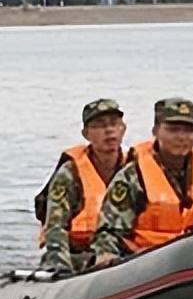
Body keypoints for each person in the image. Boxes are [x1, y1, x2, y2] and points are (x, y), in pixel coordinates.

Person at [90, 98, 193, 269]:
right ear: (156, 131)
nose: (182, 137)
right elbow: (109, 230)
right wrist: (107, 255)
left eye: (188, 130)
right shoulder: (133, 176)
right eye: (173, 130)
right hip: (143, 263)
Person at [37, 99, 128, 273]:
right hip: (78, 256)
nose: (109, 130)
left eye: (114, 124)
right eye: (100, 125)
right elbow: (56, 226)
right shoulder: (70, 173)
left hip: (124, 255)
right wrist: (60, 268)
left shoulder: (134, 169)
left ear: (123, 129)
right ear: (86, 134)